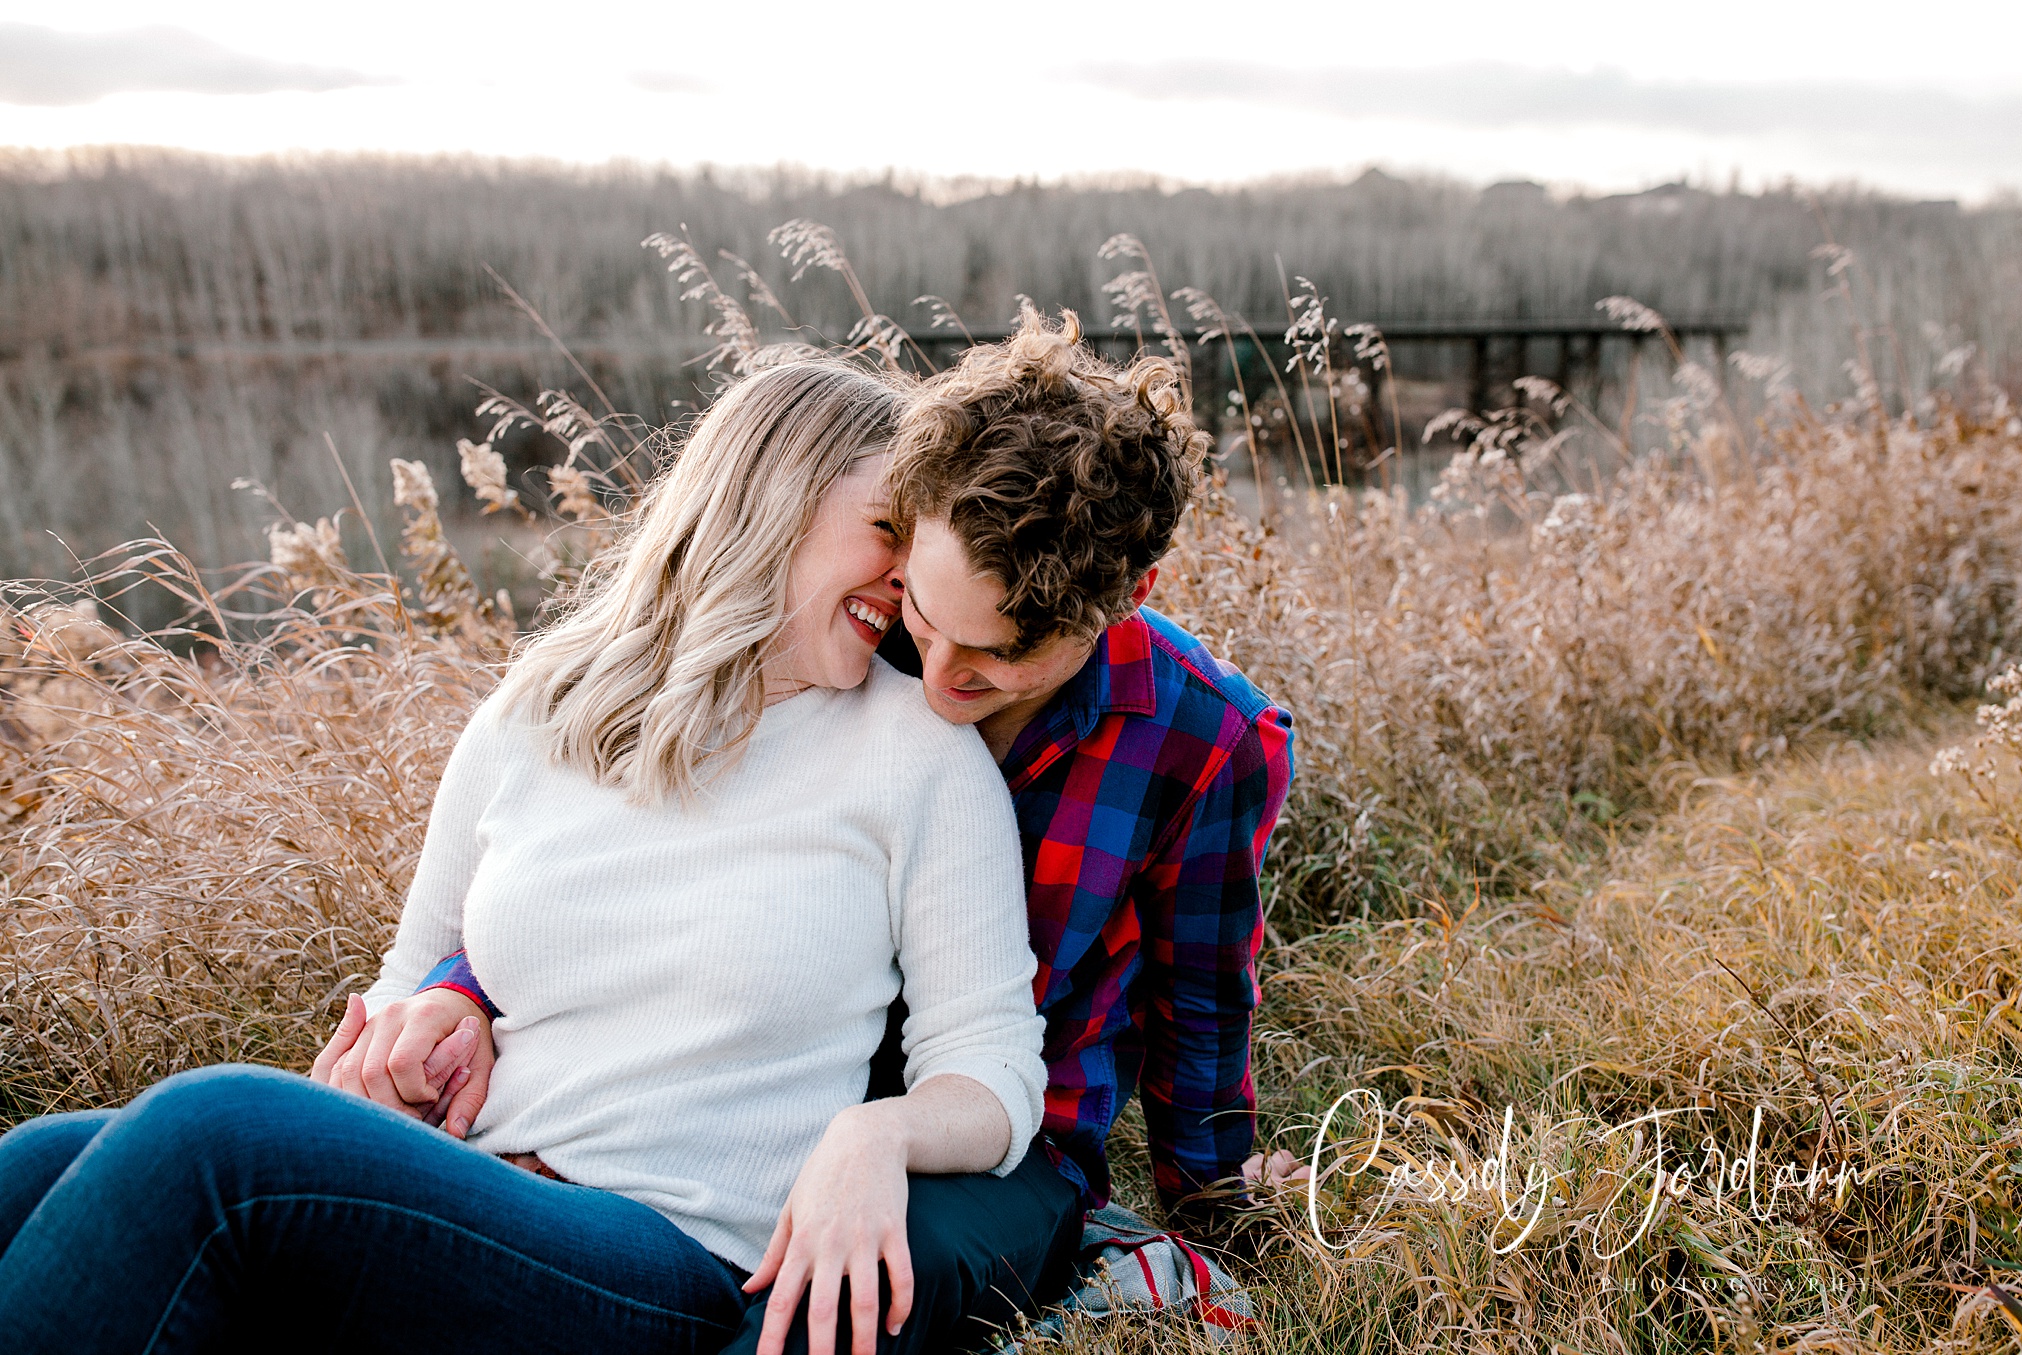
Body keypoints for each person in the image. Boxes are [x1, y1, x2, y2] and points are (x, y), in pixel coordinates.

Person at [0, 358, 1050, 1355]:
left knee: (211, 1133)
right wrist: (399, 1054)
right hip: (472, 1188)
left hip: (666, 1253)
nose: (906, 578)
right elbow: (403, 985)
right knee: (32, 1162)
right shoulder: (544, 705)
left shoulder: (918, 755)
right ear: (770, 502)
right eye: (883, 531)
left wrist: (875, 1135)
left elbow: (994, 1072)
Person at [402, 309, 1299, 1352]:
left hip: (999, 1149)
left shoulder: (1204, 737)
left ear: (1126, 596)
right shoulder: (852, 634)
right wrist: (460, 984)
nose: (944, 675)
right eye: (926, 612)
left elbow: (1200, 1000)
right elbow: (637, 868)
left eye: (1002, 652)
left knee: (845, 1292)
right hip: (756, 1119)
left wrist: (1222, 1205)